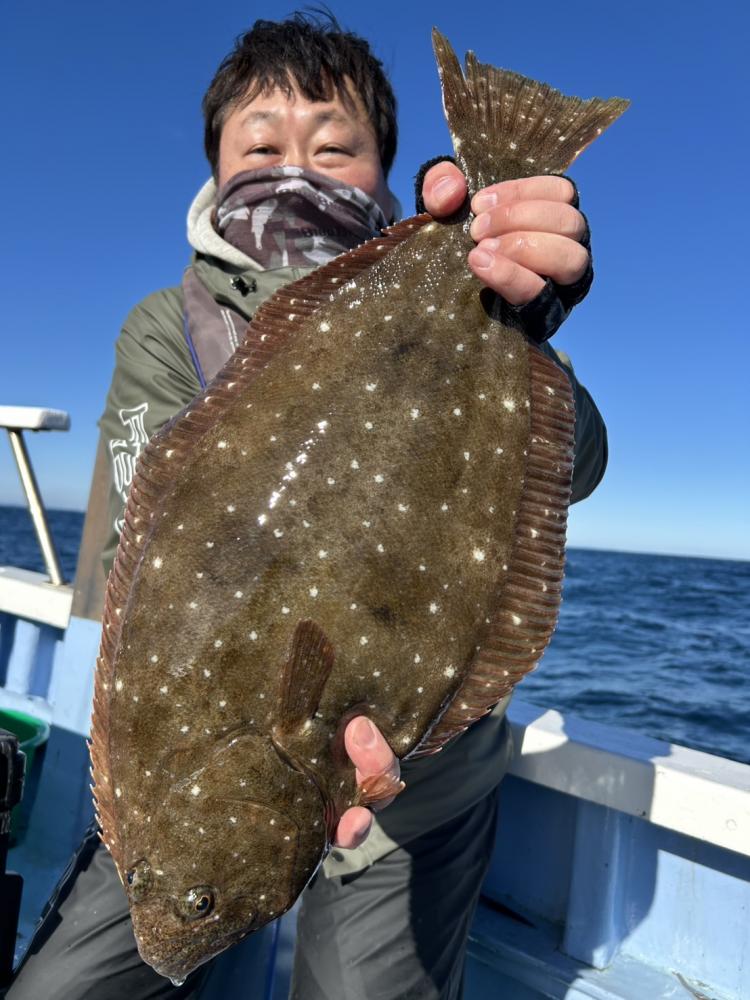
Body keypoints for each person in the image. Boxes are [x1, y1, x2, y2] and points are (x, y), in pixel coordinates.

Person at [6, 13, 606, 1000]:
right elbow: (144, 525)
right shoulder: (168, 326)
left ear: (388, 172)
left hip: (421, 781)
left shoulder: (479, 299)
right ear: (214, 163)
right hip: (177, 798)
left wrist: (523, 318)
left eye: (333, 148)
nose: (296, 170)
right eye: (261, 146)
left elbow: (574, 466)